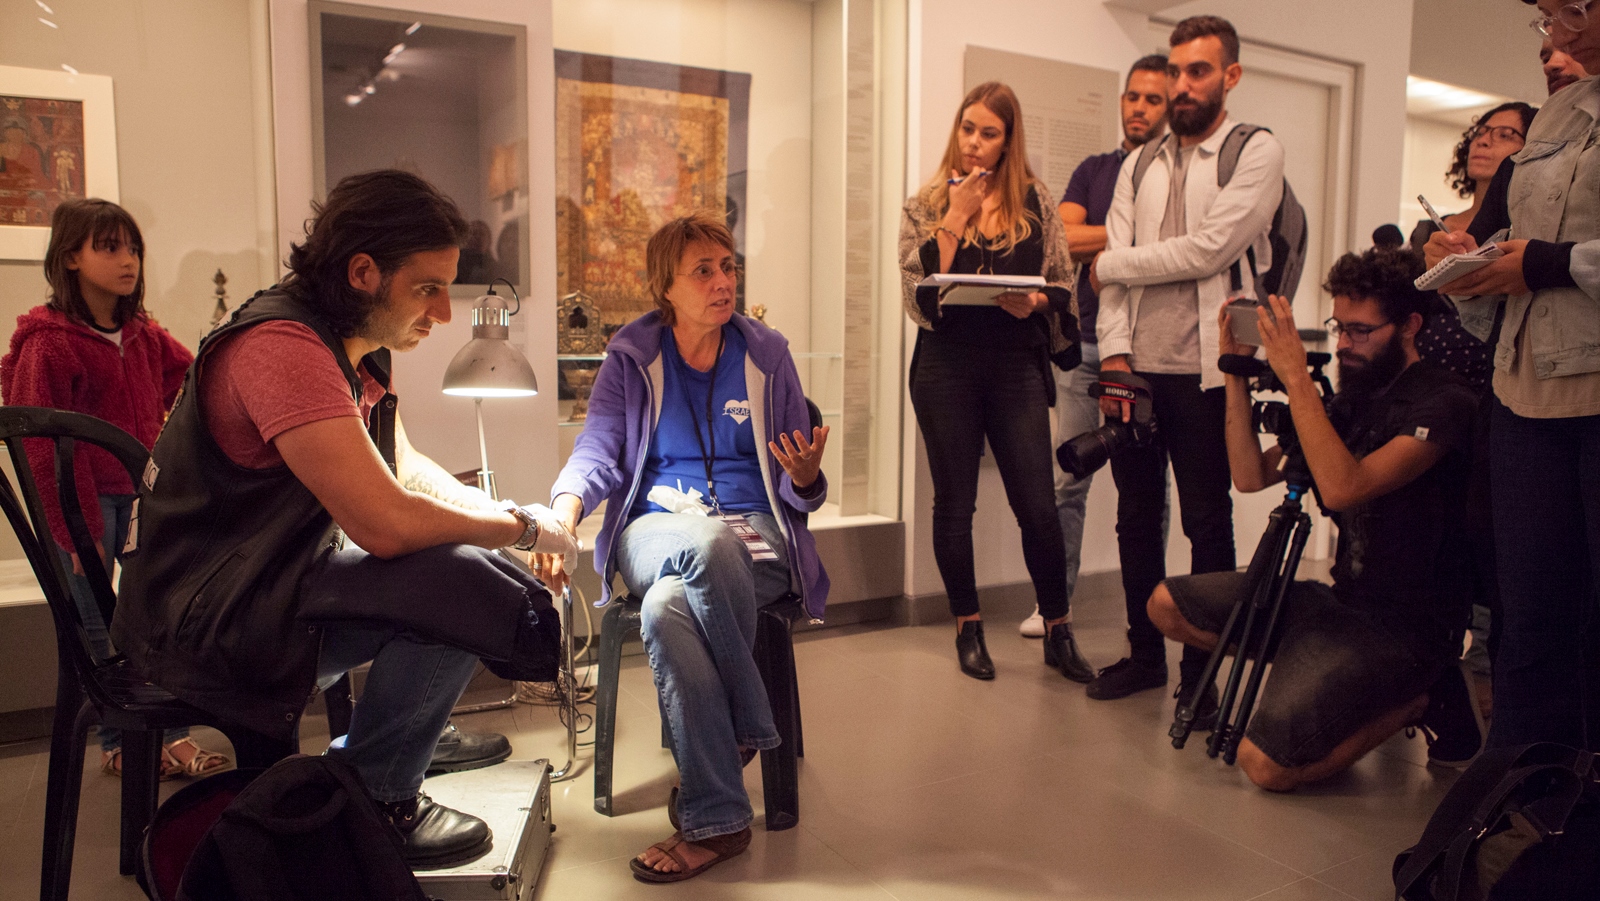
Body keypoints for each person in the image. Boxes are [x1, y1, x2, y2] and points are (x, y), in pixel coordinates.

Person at [113, 170, 577, 869]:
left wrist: (511, 514)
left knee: (467, 580)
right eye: (426, 289)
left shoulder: (349, 341)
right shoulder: (284, 348)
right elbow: (384, 523)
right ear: (364, 272)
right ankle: (378, 795)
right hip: (200, 624)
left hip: (256, 591)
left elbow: (400, 465)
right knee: (461, 589)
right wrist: (517, 533)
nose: (443, 314)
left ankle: (365, 771)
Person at [538, 212, 829, 883]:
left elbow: (797, 476)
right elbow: (598, 452)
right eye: (704, 270)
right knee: (702, 540)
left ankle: (719, 817)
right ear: (664, 287)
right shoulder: (631, 357)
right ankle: (749, 724)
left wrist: (808, 479)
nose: (723, 281)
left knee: (668, 605)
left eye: (728, 267)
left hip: (754, 533)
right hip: (654, 527)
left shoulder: (766, 355)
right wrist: (562, 512)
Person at [1149, 248, 1478, 790]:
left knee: (1266, 765)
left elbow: (1346, 488)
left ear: (1410, 326)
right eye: (1338, 328)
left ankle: (1424, 696)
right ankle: (1325, 674)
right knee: (1166, 605)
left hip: (1409, 629)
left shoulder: (1444, 404)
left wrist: (1297, 379)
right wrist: (1236, 371)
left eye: (1361, 331)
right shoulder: (1355, 401)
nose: (1345, 344)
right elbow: (1251, 475)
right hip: (1339, 604)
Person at [1086, 16, 1284, 713]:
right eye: (1175, 71)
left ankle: (1200, 674)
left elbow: (1208, 251)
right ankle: (1143, 653)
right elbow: (1113, 286)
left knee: (1207, 519)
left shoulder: (1252, 151)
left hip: (1209, 369)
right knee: (1136, 518)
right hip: (1135, 369)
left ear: (1229, 76)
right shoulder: (1138, 162)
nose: (1181, 84)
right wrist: (1113, 354)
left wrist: (1109, 262)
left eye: (1198, 70)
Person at [0, 198, 231, 780]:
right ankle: (124, 742)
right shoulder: (48, 343)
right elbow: (40, 443)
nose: (127, 260)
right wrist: (67, 530)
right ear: (71, 257)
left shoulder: (143, 335)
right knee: (103, 626)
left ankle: (161, 737)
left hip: (140, 497)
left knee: (152, 618)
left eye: (133, 248)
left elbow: (195, 378)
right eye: (109, 247)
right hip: (85, 507)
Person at [1424, 0, 1600, 751]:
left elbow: (1544, 254)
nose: (1556, 27)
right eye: (1544, 12)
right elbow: (1508, 238)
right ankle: (1515, 799)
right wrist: (1462, 266)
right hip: (1522, 389)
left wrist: (1547, 264)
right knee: (1528, 617)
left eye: (1573, 7)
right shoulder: (1559, 111)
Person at [898, 81, 1088, 682]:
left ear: (1009, 141)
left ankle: (1058, 631)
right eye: (968, 128)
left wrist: (1035, 303)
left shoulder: (1035, 199)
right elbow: (914, 293)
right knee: (955, 505)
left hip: (1014, 368)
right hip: (946, 366)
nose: (975, 143)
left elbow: (1062, 284)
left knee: (1038, 504)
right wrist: (956, 215)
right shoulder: (926, 203)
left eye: (990, 133)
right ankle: (968, 627)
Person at [1018, 54, 1170, 640]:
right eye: (1132, 96)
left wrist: (1106, 244)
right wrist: (1135, 238)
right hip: (1085, 349)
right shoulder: (1095, 168)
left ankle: (1154, 611)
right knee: (1067, 478)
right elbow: (1062, 237)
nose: (1138, 108)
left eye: (1152, 99)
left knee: (1147, 492)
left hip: (1150, 356)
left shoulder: (1174, 175)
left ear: (1169, 108)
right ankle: (1053, 601)